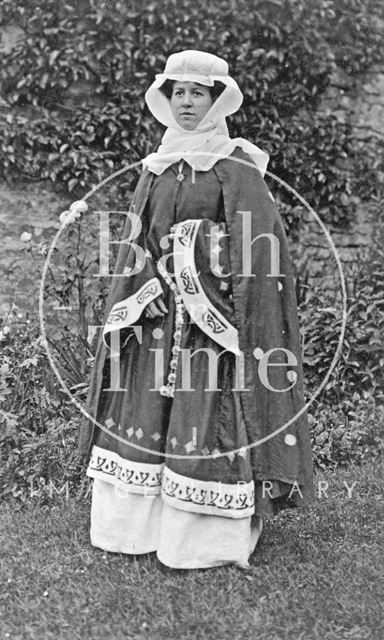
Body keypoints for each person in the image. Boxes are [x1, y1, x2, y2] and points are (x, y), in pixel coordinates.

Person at [79, 50, 314, 569]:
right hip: (156, 320)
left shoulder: (237, 166)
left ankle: (205, 542)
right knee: (143, 412)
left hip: (214, 328)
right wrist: (146, 286)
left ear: (215, 100)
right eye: (177, 92)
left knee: (207, 419)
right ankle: (132, 532)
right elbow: (135, 241)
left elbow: (259, 245)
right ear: (166, 99)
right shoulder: (156, 168)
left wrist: (194, 256)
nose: (186, 102)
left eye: (197, 93)